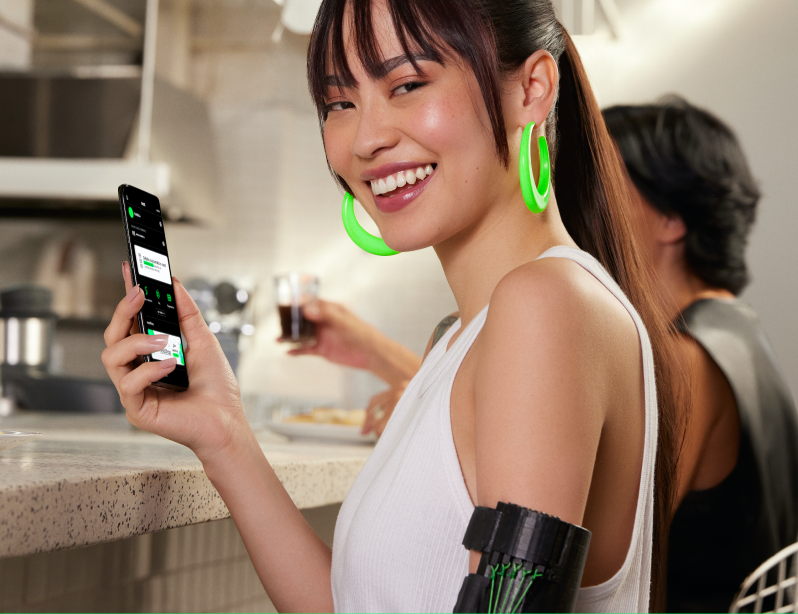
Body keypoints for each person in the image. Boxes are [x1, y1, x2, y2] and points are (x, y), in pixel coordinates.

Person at [101, 0, 683, 611]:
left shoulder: (546, 305)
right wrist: (222, 432)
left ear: (531, 90)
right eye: (339, 104)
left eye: (407, 84)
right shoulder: (459, 338)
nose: (368, 138)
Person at [603, 97, 798, 613]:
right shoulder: (736, 329)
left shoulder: (685, 355)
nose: (582, 205)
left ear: (671, 218)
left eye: (601, 184)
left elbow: (607, 567)